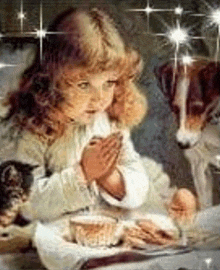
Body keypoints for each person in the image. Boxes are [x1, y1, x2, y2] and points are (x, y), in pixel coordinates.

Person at [0, 7, 196, 270]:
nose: (100, 97)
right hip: (46, 238)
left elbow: (133, 169)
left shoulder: (105, 120)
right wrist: (83, 174)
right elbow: (27, 204)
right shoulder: (29, 125)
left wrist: (111, 179)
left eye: (109, 82)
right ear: (51, 80)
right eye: (84, 85)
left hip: (98, 234)